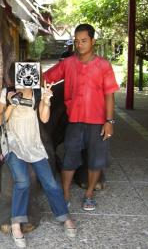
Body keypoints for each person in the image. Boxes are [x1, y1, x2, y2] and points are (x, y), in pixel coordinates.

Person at [43, 24, 119, 212]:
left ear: (93, 41)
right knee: (69, 159)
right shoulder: (68, 63)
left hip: (98, 123)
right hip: (75, 122)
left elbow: (110, 95)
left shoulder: (103, 65)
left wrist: (109, 122)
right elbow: (47, 77)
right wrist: (23, 76)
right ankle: (65, 194)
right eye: (77, 41)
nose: (80, 45)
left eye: (84, 41)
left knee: (95, 162)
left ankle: (89, 194)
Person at [0, 72, 76, 248]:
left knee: (51, 183)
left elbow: (44, 118)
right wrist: (12, 103)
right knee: (22, 181)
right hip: (13, 144)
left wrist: (46, 101)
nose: (24, 77)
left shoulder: (37, 92)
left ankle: (64, 216)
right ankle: (16, 224)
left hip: (33, 144)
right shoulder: (7, 92)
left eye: (29, 72)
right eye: (20, 72)